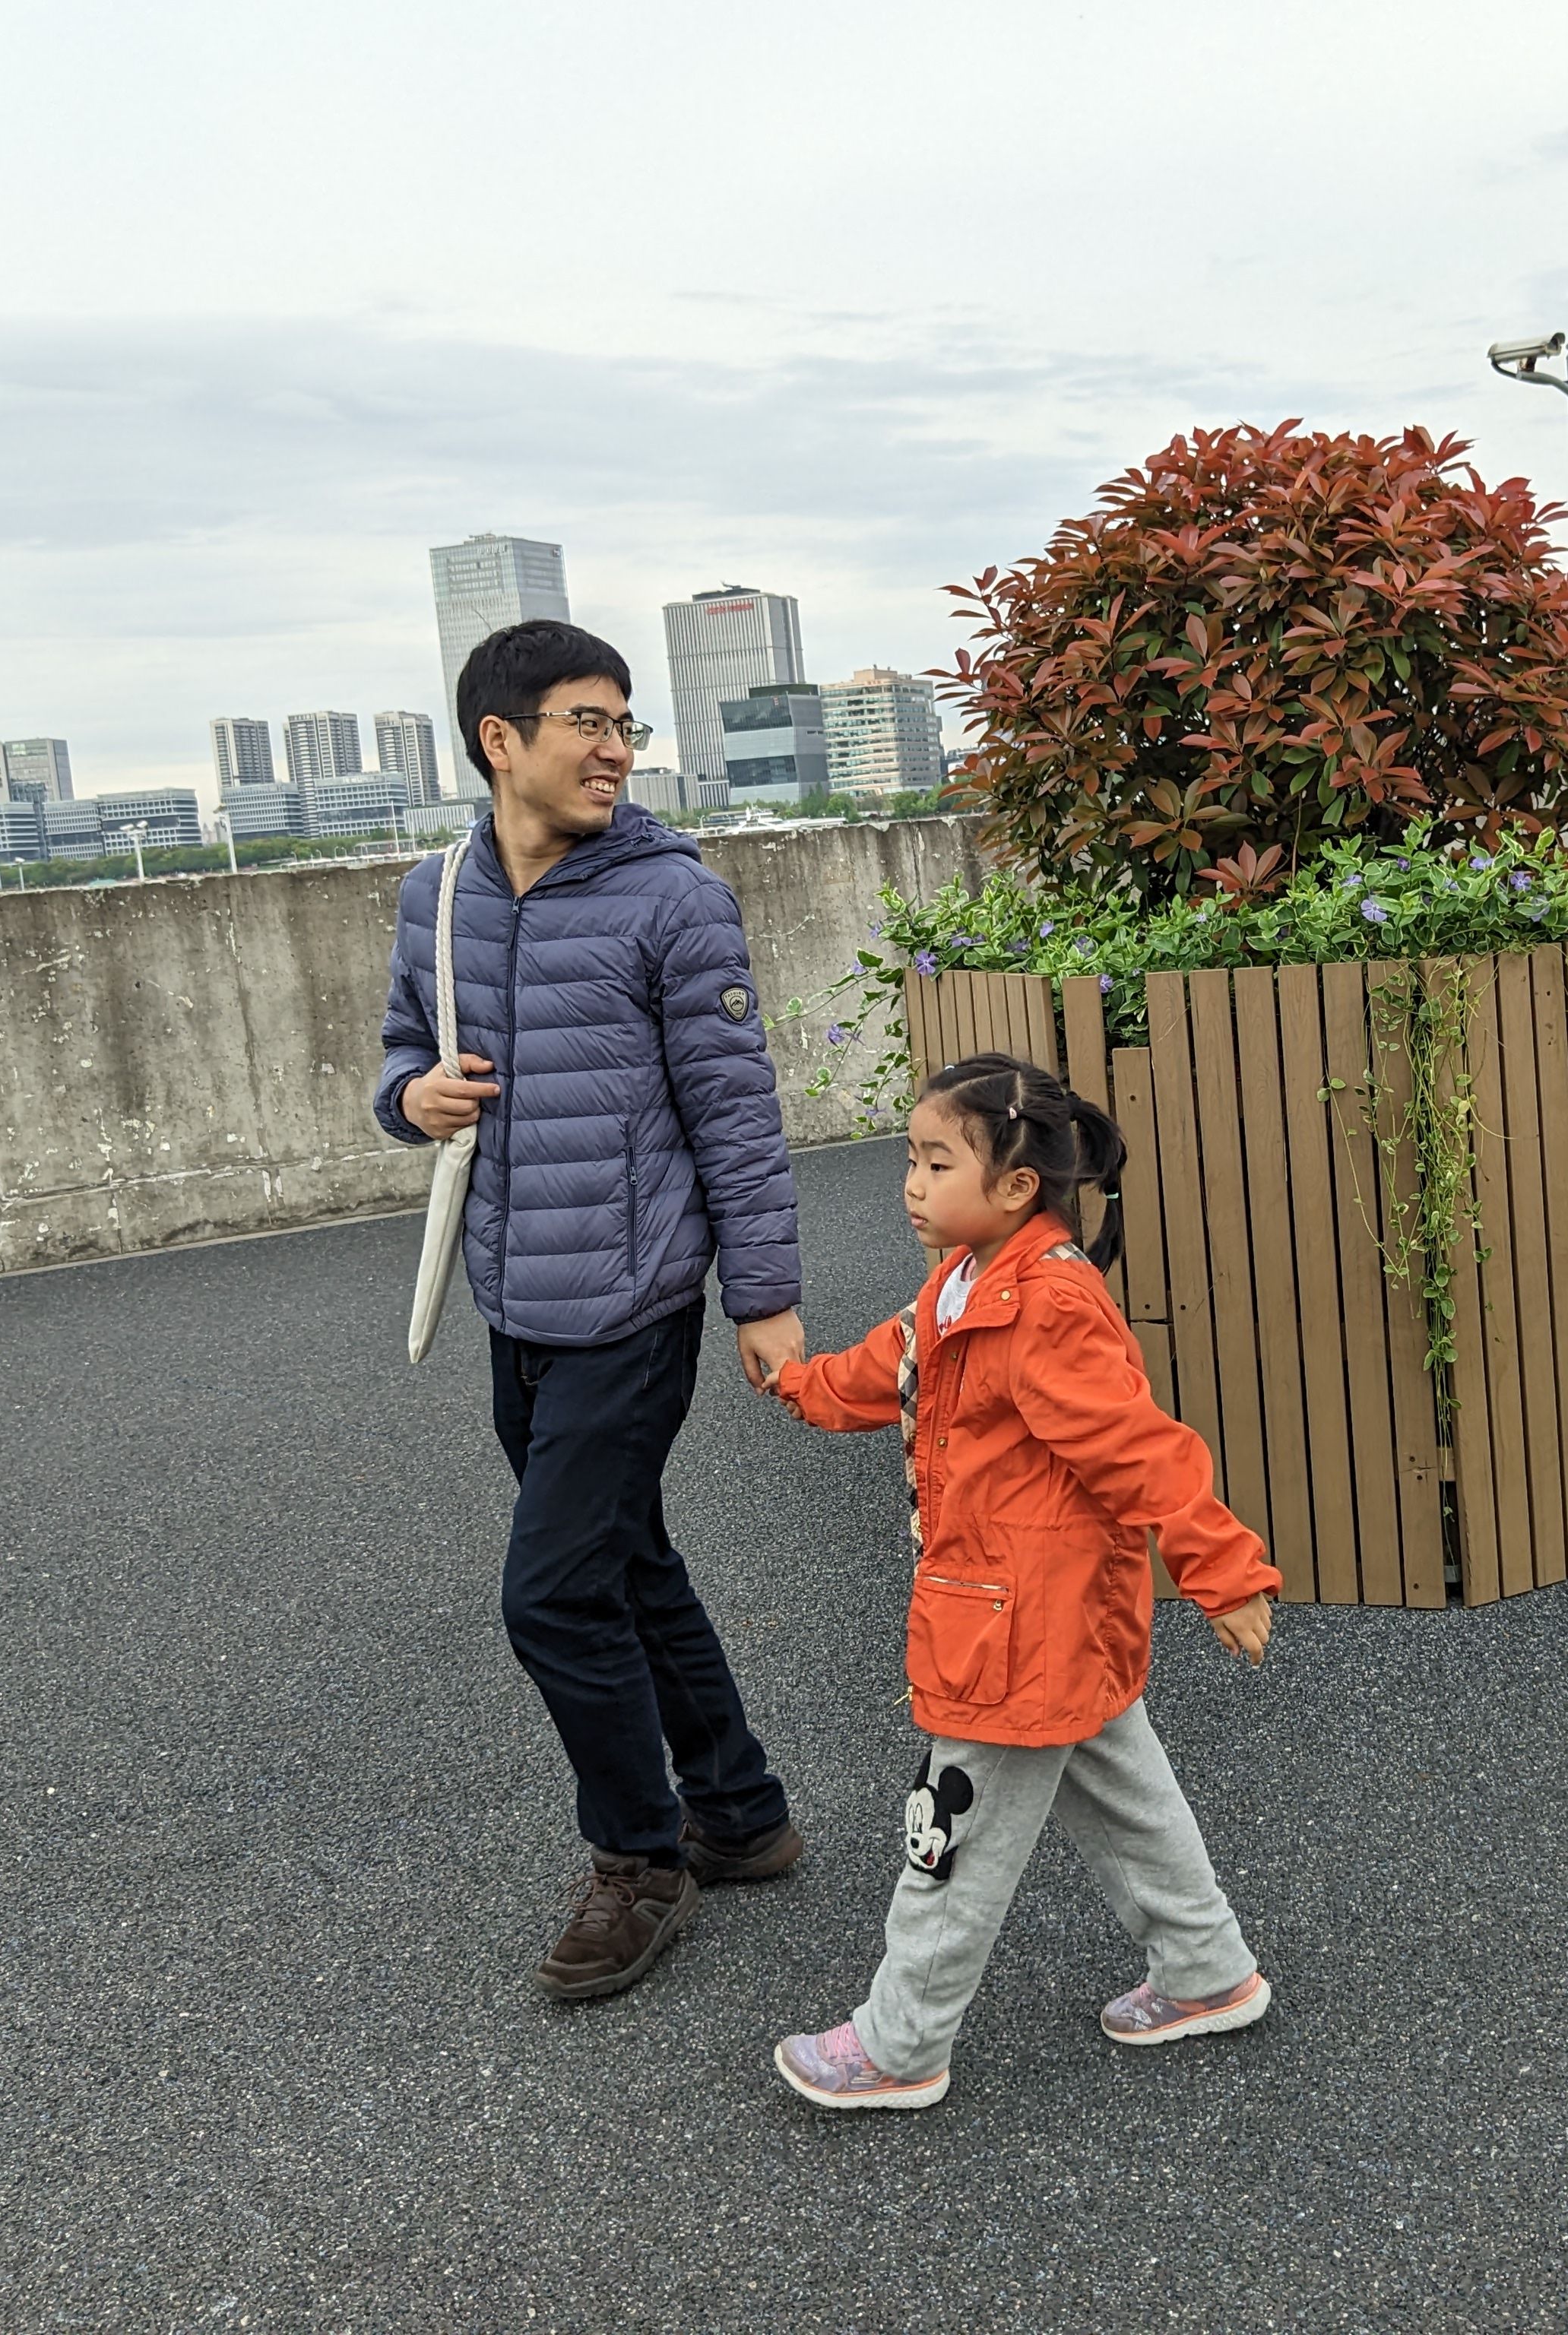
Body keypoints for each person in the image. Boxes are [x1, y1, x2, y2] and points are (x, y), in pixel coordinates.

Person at [375, 619, 806, 2001]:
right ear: (500, 740)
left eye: (626, 724)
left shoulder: (673, 900)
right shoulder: (438, 893)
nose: (617, 749)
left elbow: (736, 1114)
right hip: (515, 1294)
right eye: (588, 721)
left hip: (632, 1298)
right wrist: (410, 1098)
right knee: (624, 1562)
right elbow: (403, 1050)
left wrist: (765, 1297)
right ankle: (739, 1813)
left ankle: (640, 1859)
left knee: (554, 1596)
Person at [760, 1053, 1281, 2108]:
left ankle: (901, 2045)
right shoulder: (966, 1280)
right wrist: (802, 1385)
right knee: (1124, 1791)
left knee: (949, 1837)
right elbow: (895, 1363)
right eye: (911, 1159)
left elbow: (1137, 1446)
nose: (911, 1183)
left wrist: (1222, 1568)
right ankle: (1205, 1970)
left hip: (1015, 1628)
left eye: (936, 1162)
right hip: (1032, 1612)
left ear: (1016, 1186)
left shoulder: (1045, 1304)